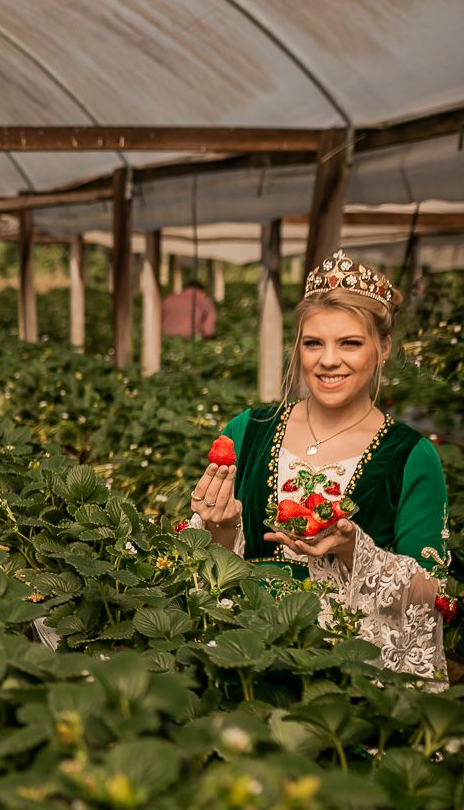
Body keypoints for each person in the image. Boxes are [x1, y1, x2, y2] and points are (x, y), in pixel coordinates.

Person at [189, 250, 450, 683]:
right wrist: (220, 528)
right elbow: (204, 562)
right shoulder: (246, 430)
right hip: (240, 650)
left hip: (345, 670)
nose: (329, 360)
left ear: (383, 349)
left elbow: (433, 595)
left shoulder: (410, 455)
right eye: (314, 343)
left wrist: (353, 550)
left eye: (350, 342)